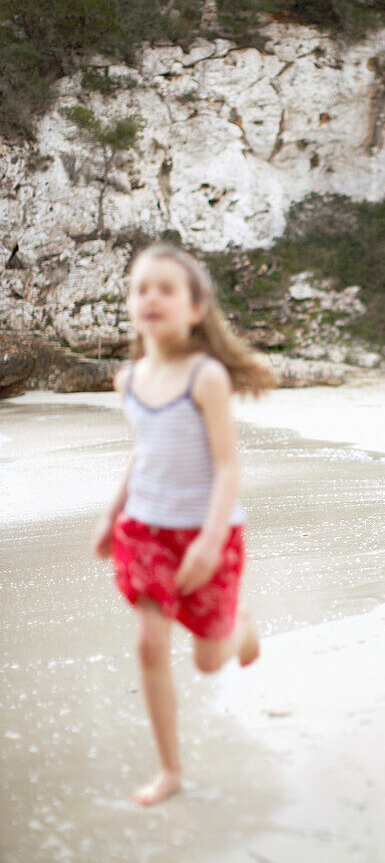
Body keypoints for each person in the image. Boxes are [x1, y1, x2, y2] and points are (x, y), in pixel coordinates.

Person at [93, 243, 276, 807]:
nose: (150, 297)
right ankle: (169, 770)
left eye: (165, 288)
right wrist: (112, 513)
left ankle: (240, 629)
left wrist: (210, 540)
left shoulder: (206, 377)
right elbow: (141, 455)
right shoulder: (128, 379)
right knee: (149, 645)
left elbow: (227, 465)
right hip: (145, 530)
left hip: (206, 534)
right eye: (140, 287)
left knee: (206, 658)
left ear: (195, 309)